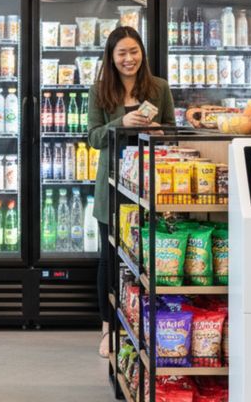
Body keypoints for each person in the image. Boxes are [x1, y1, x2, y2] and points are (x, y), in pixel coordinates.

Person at [87, 26, 175, 358]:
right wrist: (121, 124)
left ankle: (143, 325)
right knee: (109, 259)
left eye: (134, 51)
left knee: (146, 259)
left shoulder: (159, 88)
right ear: (111, 57)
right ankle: (108, 327)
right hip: (111, 187)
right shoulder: (99, 92)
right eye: (121, 53)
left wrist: (157, 130)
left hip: (150, 186)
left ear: (142, 53)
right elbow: (93, 138)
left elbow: (172, 133)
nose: (129, 59)